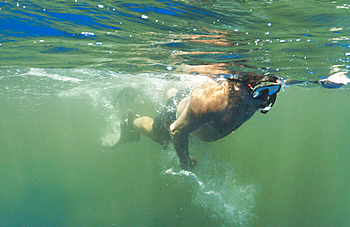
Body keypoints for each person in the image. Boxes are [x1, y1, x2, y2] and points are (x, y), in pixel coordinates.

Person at [114, 73, 283, 170]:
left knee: (181, 99)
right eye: (259, 94)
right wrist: (184, 159)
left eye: (269, 94)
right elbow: (177, 130)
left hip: (192, 103)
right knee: (159, 135)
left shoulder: (257, 96)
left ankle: (173, 94)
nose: (263, 102)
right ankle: (131, 120)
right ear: (238, 87)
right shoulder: (211, 104)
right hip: (176, 116)